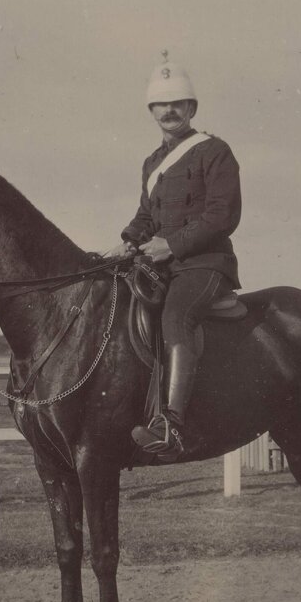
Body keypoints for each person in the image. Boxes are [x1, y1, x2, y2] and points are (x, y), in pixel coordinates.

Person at [106, 58, 242, 460]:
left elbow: (222, 216)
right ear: (151, 112)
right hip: (162, 266)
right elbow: (147, 217)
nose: (169, 112)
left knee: (176, 316)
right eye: (161, 106)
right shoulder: (152, 163)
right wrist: (128, 242)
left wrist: (172, 246)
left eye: (178, 104)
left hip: (205, 265)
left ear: (191, 108)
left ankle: (171, 424)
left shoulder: (214, 152)